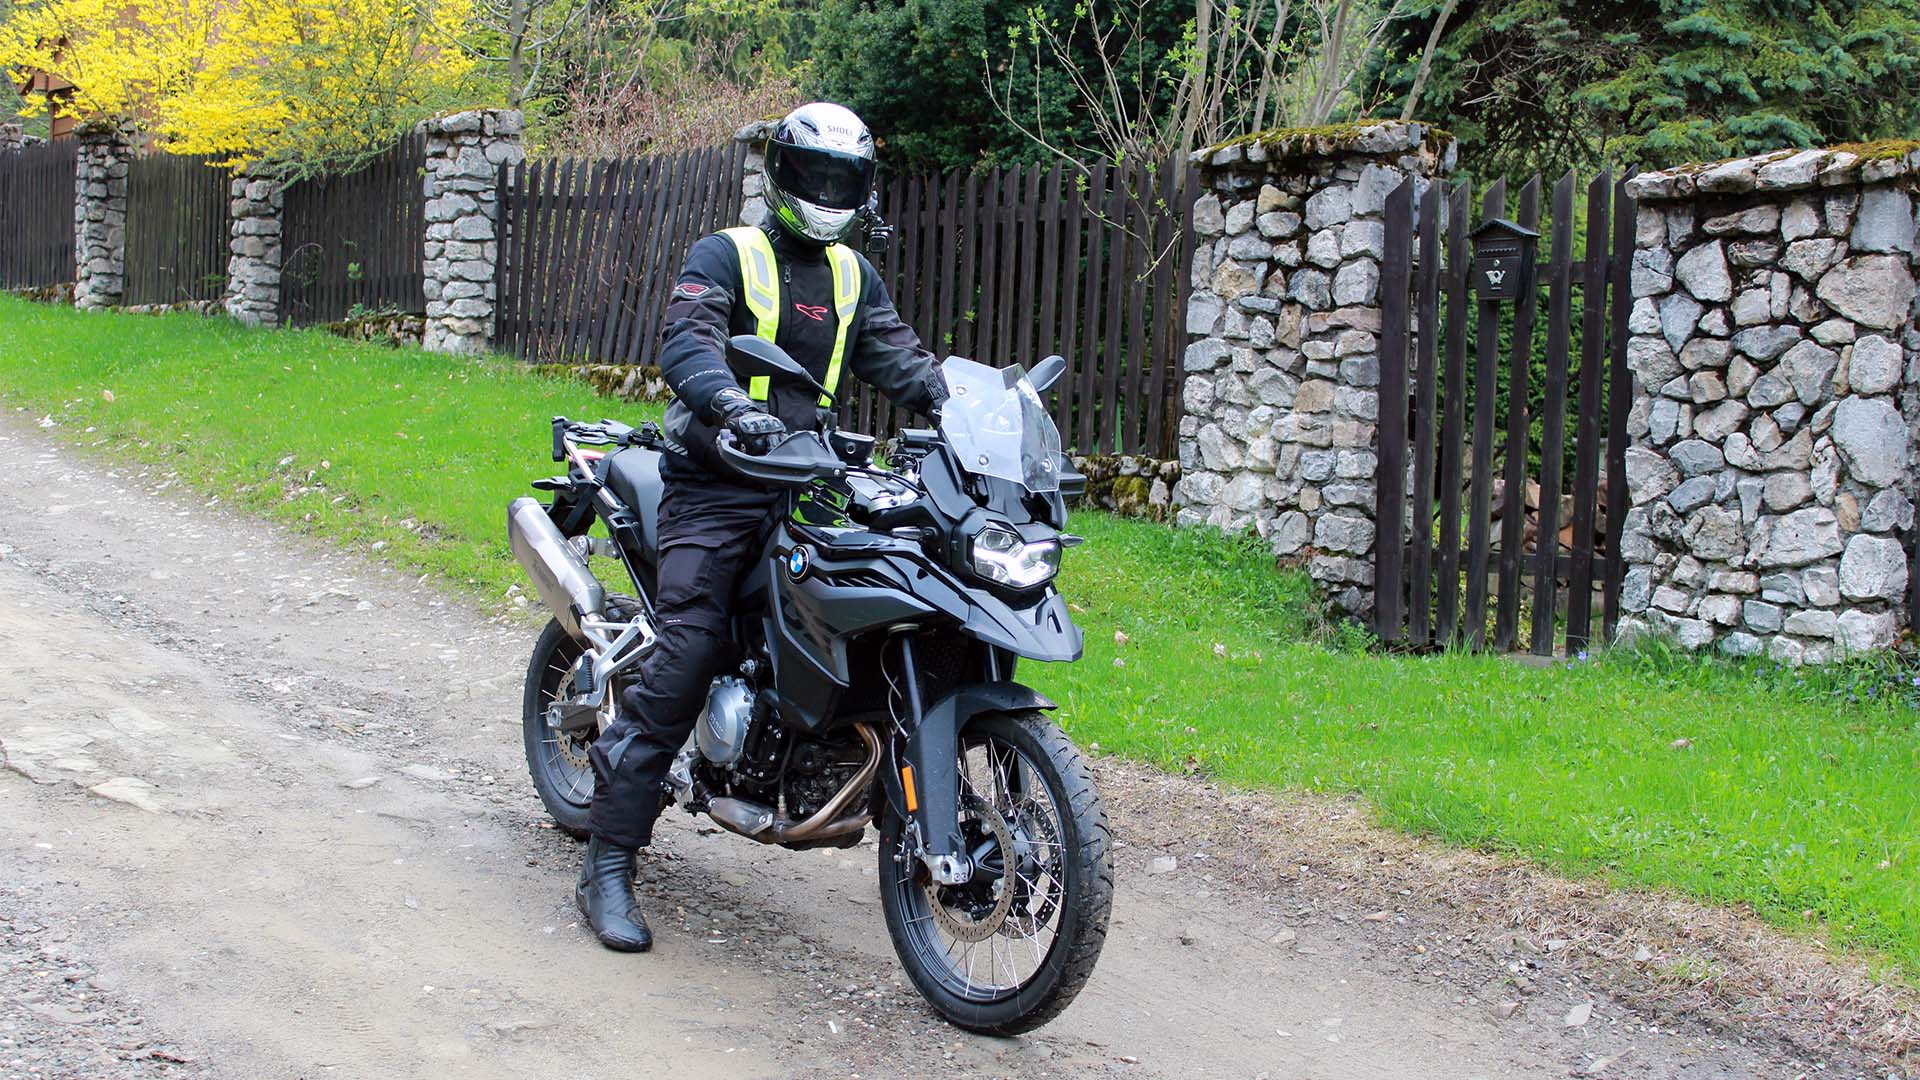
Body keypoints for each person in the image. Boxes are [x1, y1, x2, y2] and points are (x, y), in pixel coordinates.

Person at [576, 102, 948, 952]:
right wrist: (724, 406)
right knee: (687, 650)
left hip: (809, 482)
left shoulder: (855, 277)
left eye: (843, 181)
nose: (827, 193)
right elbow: (687, 340)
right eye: (815, 176)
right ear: (781, 174)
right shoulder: (726, 252)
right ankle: (606, 862)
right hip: (718, 480)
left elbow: (903, 360)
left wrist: (966, 408)